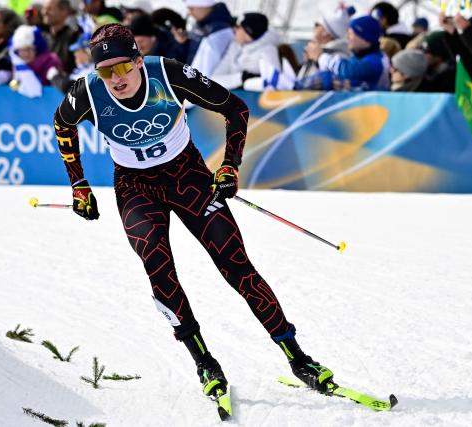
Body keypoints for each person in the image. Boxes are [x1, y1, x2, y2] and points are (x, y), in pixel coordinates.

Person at [52, 23, 335, 407]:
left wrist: (229, 167)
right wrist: (79, 185)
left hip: (188, 178)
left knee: (236, 266)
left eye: (122, 67)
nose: (115, 79)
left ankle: (298, 359)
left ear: (138, 60)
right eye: (106, 71)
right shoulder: (87, 92)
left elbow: (235, 108)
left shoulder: (167, 74)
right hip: (136, 190)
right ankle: (204, 362)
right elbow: (62, 125)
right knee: (158, 268)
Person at [305, 15, 390, 91]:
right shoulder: (359, 57)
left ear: (365, 39)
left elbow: (348, 71)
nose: (347, 37)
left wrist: (320, 57)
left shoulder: (377, 61)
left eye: (351, 34)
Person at [211, 12, 280, 90]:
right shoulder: (235, 46)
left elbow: (274, 84)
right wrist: (241, 78)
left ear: (248, 32)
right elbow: (214, 80)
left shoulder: (268, 51)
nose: (234, 29)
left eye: (238, 27)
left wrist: (248, 82)